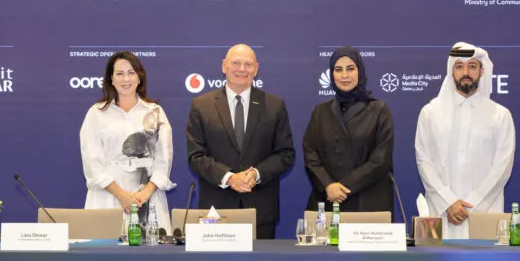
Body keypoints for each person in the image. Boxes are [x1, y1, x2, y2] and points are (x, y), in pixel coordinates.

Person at [186, 44, 295, 239]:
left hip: (260, 210)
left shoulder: (274, 105)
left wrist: (256, 174)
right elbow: (196, 156)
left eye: (248, 64)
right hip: (216, 211)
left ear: (256, 69)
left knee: (260, 260)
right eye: (236, 63)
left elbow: (285, 154)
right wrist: (229, 177)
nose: (242, 69)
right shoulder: (201, 105)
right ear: (224, 66)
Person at [415, 42, 515, 239]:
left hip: (485, 213)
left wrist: (471, 205)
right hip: (438, 210)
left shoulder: (500, 115)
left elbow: (502, 168)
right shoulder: (430, 112)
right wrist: (448, 202)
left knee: (487, 259)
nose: (466, 72)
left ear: (482, 71)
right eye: (459, 66)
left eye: (472, 66)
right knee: (430, 259)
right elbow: (423, 161)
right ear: (451, 71)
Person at [80, 51, 175, 232]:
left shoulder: (154, 111)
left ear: (140, 77)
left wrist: (145, 193)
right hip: (107, 196)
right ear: (111, 79)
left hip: (147, 196)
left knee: (151, 248)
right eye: (120, 74)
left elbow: (164, 159)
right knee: (102, 248)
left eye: (131, 73)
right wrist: (121, 195)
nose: (126, 79)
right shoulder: (96, 113)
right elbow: (92, 162)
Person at [303, 46, 394, 216]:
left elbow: (380, 161)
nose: (344, 75)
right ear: (332, 74)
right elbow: (310, 154)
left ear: (360, 71)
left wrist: (343, 187)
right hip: (328, 201)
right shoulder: (320, 112)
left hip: (368, 204)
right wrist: (328, 185)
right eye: (338, 70)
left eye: (350, 68)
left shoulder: (379, 110)